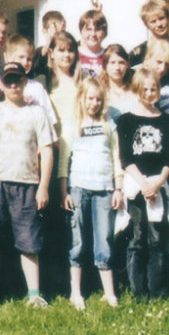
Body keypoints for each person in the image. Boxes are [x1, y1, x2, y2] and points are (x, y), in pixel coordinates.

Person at [0, 61, 55, 311]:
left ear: (25, 82)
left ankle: (34, 295)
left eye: (17, 79)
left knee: (29, 242)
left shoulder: (37, 113)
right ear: (1, 84)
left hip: (28, 183)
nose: (13, 85)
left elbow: (47, 151)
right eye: (8, 80)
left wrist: (43, 186)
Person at [59, 76, 124, 309]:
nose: (94, 103)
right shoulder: (71, 124)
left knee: (104, 239)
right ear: (82, 99)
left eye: (98, 99)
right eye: (90, 99)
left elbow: (117, 158)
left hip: (105, 189)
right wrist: (63, 190)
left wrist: (118, 187)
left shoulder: (110, 124)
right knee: (77, 240)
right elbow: (63, 161)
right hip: (78, 188)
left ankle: (109, 292)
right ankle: (76, 292)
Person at [117, 68, 169, 298]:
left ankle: (157, 290)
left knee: (156, 237)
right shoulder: (126, 120)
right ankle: (138, 290)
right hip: (136, 186)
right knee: (137, 237)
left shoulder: (164, 120)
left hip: (158, 186)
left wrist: (157, 184)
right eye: (144, 88)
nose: (149, 92)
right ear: (137, 89)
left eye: (153, 88)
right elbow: (126, 158)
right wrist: (144, 184)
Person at [0, 34, 57, 132]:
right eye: (21, 57)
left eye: (29, 59)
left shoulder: (36, 87)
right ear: (6, 57)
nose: (25, 62)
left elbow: (48, 118)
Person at [129, 0, 169, 66]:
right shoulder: (141, 51)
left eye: (161, 18)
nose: (159, 24)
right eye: (153, 21)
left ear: (168, 18)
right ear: (146, 25)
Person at [100, 43, 137, 121]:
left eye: (121, 63)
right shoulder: (99, 92)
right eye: (112, 63)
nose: (117, 68)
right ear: (105, 66)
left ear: (127, 65)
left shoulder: (136, 90)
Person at [32, 10, 66, 81]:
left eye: (62, 32)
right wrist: (49, 38)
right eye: (56, 32)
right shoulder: (40, 51)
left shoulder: (67, 51)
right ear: (45, 31)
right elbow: (41, 56)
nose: (59, 36)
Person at [77, 8, 108, 79]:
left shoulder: (108, 55)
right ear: (81, 32)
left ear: (104, 32)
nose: (93, 34)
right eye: (89, 29)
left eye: (97, 29)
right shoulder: (74, 55)